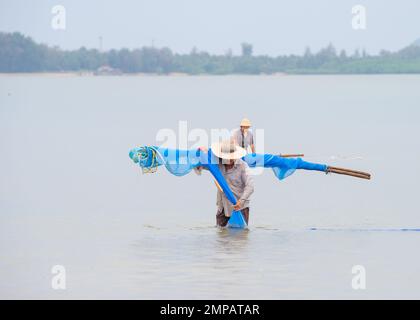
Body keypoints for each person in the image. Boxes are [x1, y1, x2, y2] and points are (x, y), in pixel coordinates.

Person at [198, 141, 254, 227]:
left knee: (240, 237)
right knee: (221, 235)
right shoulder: (217, 163)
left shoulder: (243, 166)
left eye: (231, 157)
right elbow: (203, 164)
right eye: (226, 157)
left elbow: (250, 186)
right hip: (223, 206)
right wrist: (201, 153)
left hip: (240, 207)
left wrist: (241, 201)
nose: (229, 160)